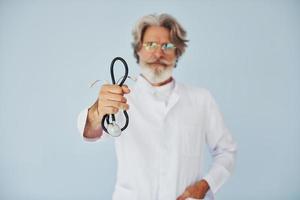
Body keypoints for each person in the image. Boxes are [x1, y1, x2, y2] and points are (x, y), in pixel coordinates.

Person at [78, 13, 237, 200]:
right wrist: (98, 110)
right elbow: (90, 131)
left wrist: (205, 186)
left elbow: (227, 151)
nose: (158, 53)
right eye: (150, 44)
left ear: (177, 53)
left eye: (167, 46)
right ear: (138, 49)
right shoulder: (121, 97)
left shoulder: (201, 99)